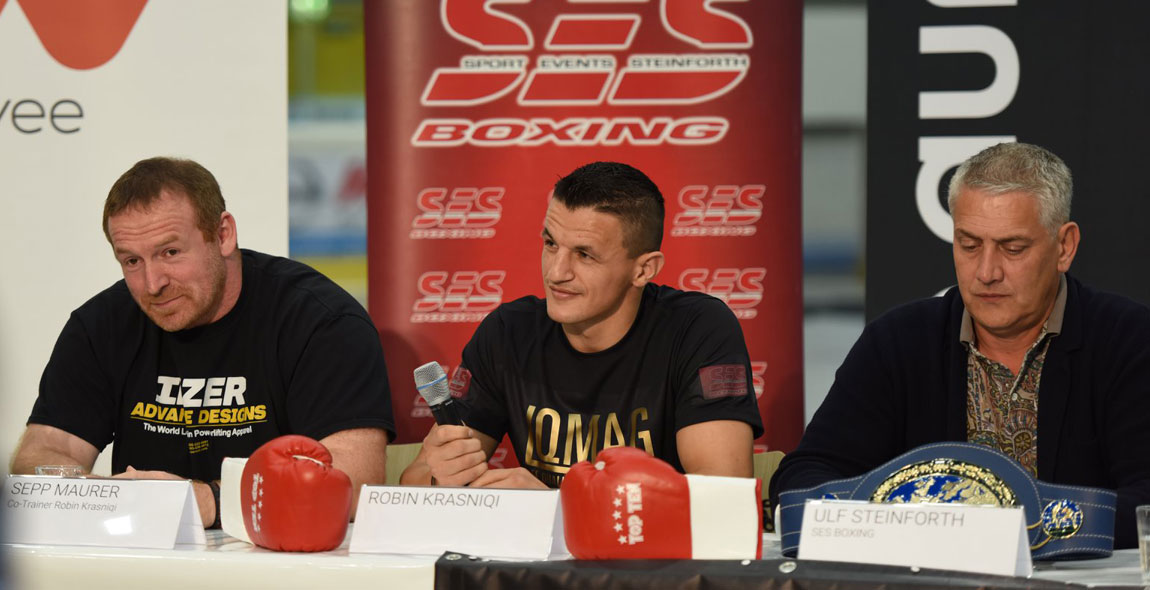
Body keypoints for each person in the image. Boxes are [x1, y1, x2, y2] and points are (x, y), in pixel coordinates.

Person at [770, 142, 1150, 548]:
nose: (986, 272)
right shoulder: (898, 341)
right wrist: (905, 522)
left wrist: (1005, 533)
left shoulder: (1129, 340)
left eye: (1012, 248)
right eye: (969, 245)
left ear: (1064, 247)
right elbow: (805, 475)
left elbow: (1145, 498)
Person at [10, 157, 395, 526]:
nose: (152, 283)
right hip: (143, 564)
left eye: (170, 252)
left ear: (223, 234)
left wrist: (208, 501)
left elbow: (352, 482)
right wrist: (89, 498)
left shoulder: (321, 322)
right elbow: (42, 454)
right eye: (131, 261)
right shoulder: (101, 325)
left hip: (282, 562)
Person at [401, 161, 764, 489]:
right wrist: (439, 478)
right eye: (550, 243)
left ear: (643, 269)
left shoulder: (698, 330)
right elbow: (414, 482)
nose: (556, 273)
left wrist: (552, 509)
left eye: (584, 254)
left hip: (655, 559)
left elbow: (723, 498)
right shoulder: (508, 333)